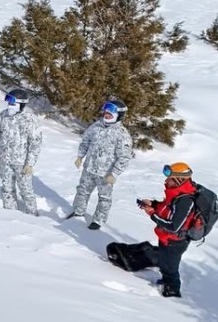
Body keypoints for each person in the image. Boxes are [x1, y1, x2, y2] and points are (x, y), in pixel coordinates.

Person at [68, 99, 134, 230]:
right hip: (89, 168)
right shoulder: (96, 126)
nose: (106, 115)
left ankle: (98, 220)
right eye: (106, 112)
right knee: (82, 191)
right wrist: (80, 156)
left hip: (106, 174)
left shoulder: (122, 134)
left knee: (104, 197)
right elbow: (85, 141)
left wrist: (114, 173)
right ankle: (78, 212)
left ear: (118, 115)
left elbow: (124, 157)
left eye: (110, 113)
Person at [137, 162, 197, 298]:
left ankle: (173, 292)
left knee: (171, 268)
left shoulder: (185, 201)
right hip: (165, 237)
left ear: (178, 180)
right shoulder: (175, 194)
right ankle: (165, 281)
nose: (166, 181)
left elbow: (174, 226)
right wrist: (153, 204)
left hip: (176, 241)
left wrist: (152, 214)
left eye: (169, 178)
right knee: (164, 263)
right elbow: (166, 209)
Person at [0, 88, 42, 214]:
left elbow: (35, 143)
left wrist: (30, 163)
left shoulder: (30, 120)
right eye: (9, 103)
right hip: (5, 160)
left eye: (13, 104)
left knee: (26, 190)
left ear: (22, 104)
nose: (10, 106)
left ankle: (32, 214)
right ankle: (11, 214)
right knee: (7, 188)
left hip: (22, 163)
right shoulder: (3, 116)